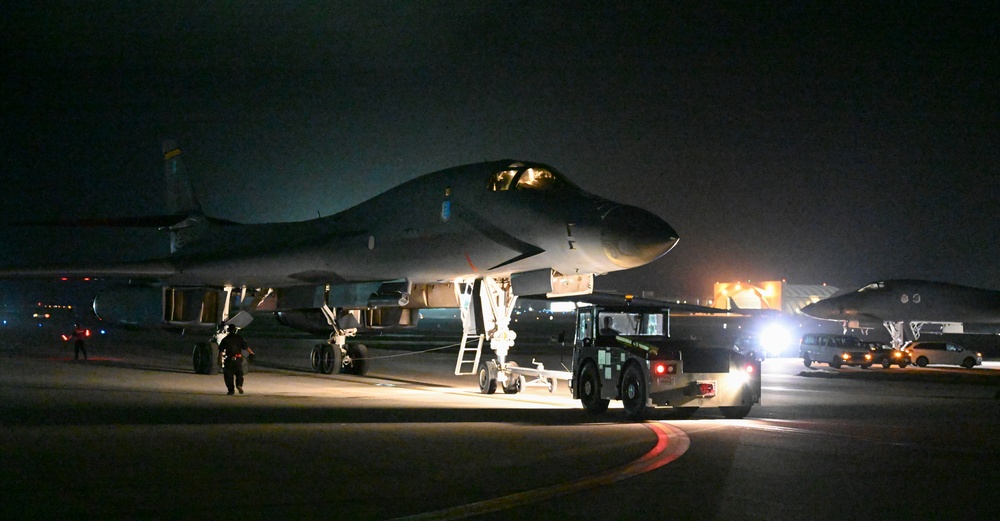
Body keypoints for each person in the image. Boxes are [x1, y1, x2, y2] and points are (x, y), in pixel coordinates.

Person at [217, 324, 254, 395]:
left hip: (229, 359)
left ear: (228, 330)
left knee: (228, 375)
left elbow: (221, 351)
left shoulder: (225, 339)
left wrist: (219, 360)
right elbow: (246, 347)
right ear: (235, 330)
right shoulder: (239, 338)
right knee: (239, 373)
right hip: (238, 359)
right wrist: (251, 353)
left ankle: (231, 390)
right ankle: (239, 385)